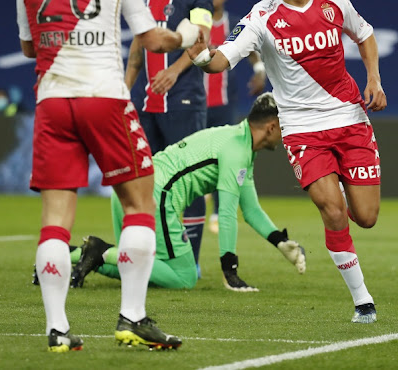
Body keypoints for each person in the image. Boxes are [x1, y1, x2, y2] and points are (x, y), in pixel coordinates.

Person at [16, 0, 200, 352]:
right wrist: (184, 34)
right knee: (140, 204)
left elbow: (27, 46)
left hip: (53, 102)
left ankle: (57, 331)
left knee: (55, 221)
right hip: (104, 98)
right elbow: (153, 39)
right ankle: (132, 319)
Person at [186, 0, 387, 324]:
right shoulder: (261, 17)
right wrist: (200, 56)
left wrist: (374, 79)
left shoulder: (335, 3)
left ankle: (344, 198)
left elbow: (364, 35)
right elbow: (223, 59)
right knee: (332, 211)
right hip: (301, 130)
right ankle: (363, 300)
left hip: (349, 118)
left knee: (365, 216)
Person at [69, 93, 306, 291]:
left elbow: (251, 209)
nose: (286, 134)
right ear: (271, 126)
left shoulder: (238, 142)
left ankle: (64, 256)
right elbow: (225, 213)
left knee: (130, 265)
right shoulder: (237, 150)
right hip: (155, 194)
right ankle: (99, 250)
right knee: (184, 276)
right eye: (285, 127)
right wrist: (230, 270)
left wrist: (280, 241)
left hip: (130, 185)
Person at [126, 0, 213, 275]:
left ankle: (190, 263)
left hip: (184, 101)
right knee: (145, 183)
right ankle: (153, 255)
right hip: (147, 105)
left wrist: (174, 71)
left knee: (188, 182)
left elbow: (202, 37)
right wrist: (122, 89)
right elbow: (136, 43)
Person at [204, 0, 267, 234]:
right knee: (199, 157)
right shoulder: (196, 26)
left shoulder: (233, 24)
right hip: (195, 102)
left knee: (223, 158)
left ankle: (219, 211)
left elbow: (250, 48)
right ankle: (194, 209)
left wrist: (259, 68)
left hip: (223, 103)